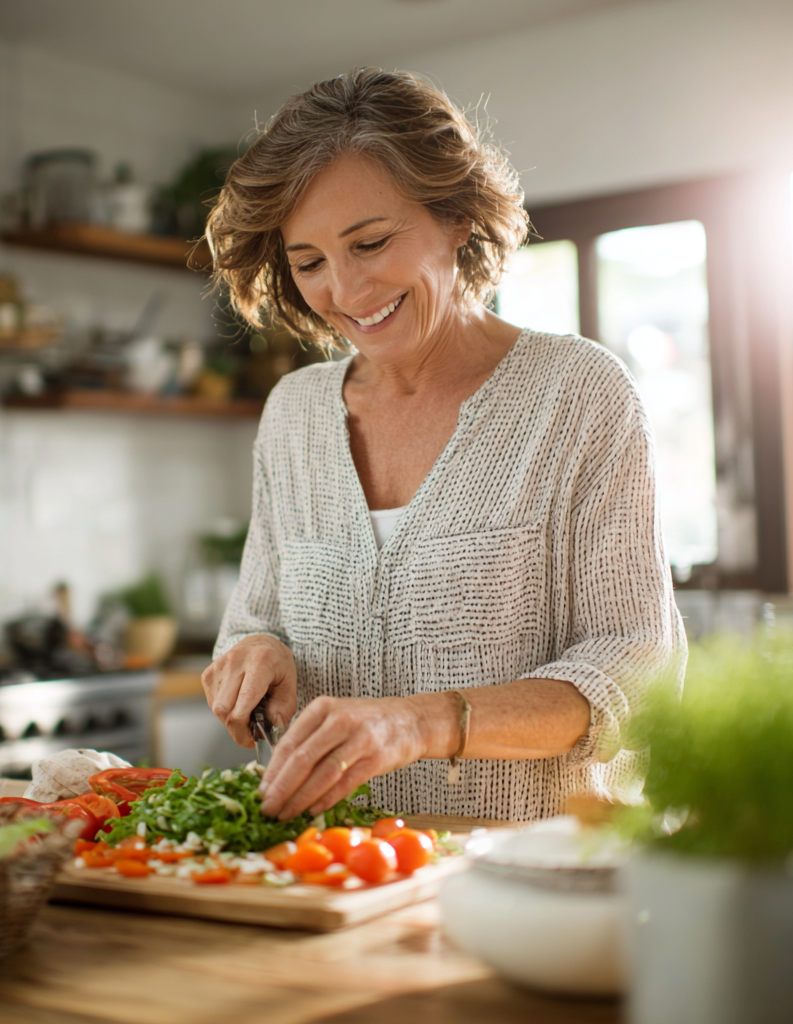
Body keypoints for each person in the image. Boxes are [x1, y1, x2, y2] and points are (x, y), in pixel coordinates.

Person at [202, 68, 686, 823]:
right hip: (340, 877)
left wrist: (420, 723)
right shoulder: (292, 416)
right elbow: (254, 620)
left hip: (532, 881)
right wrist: (257, 655)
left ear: (456, 217)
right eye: (309, 263)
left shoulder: (577, 394)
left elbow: (634, 664)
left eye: (370, 242)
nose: (345, 289)